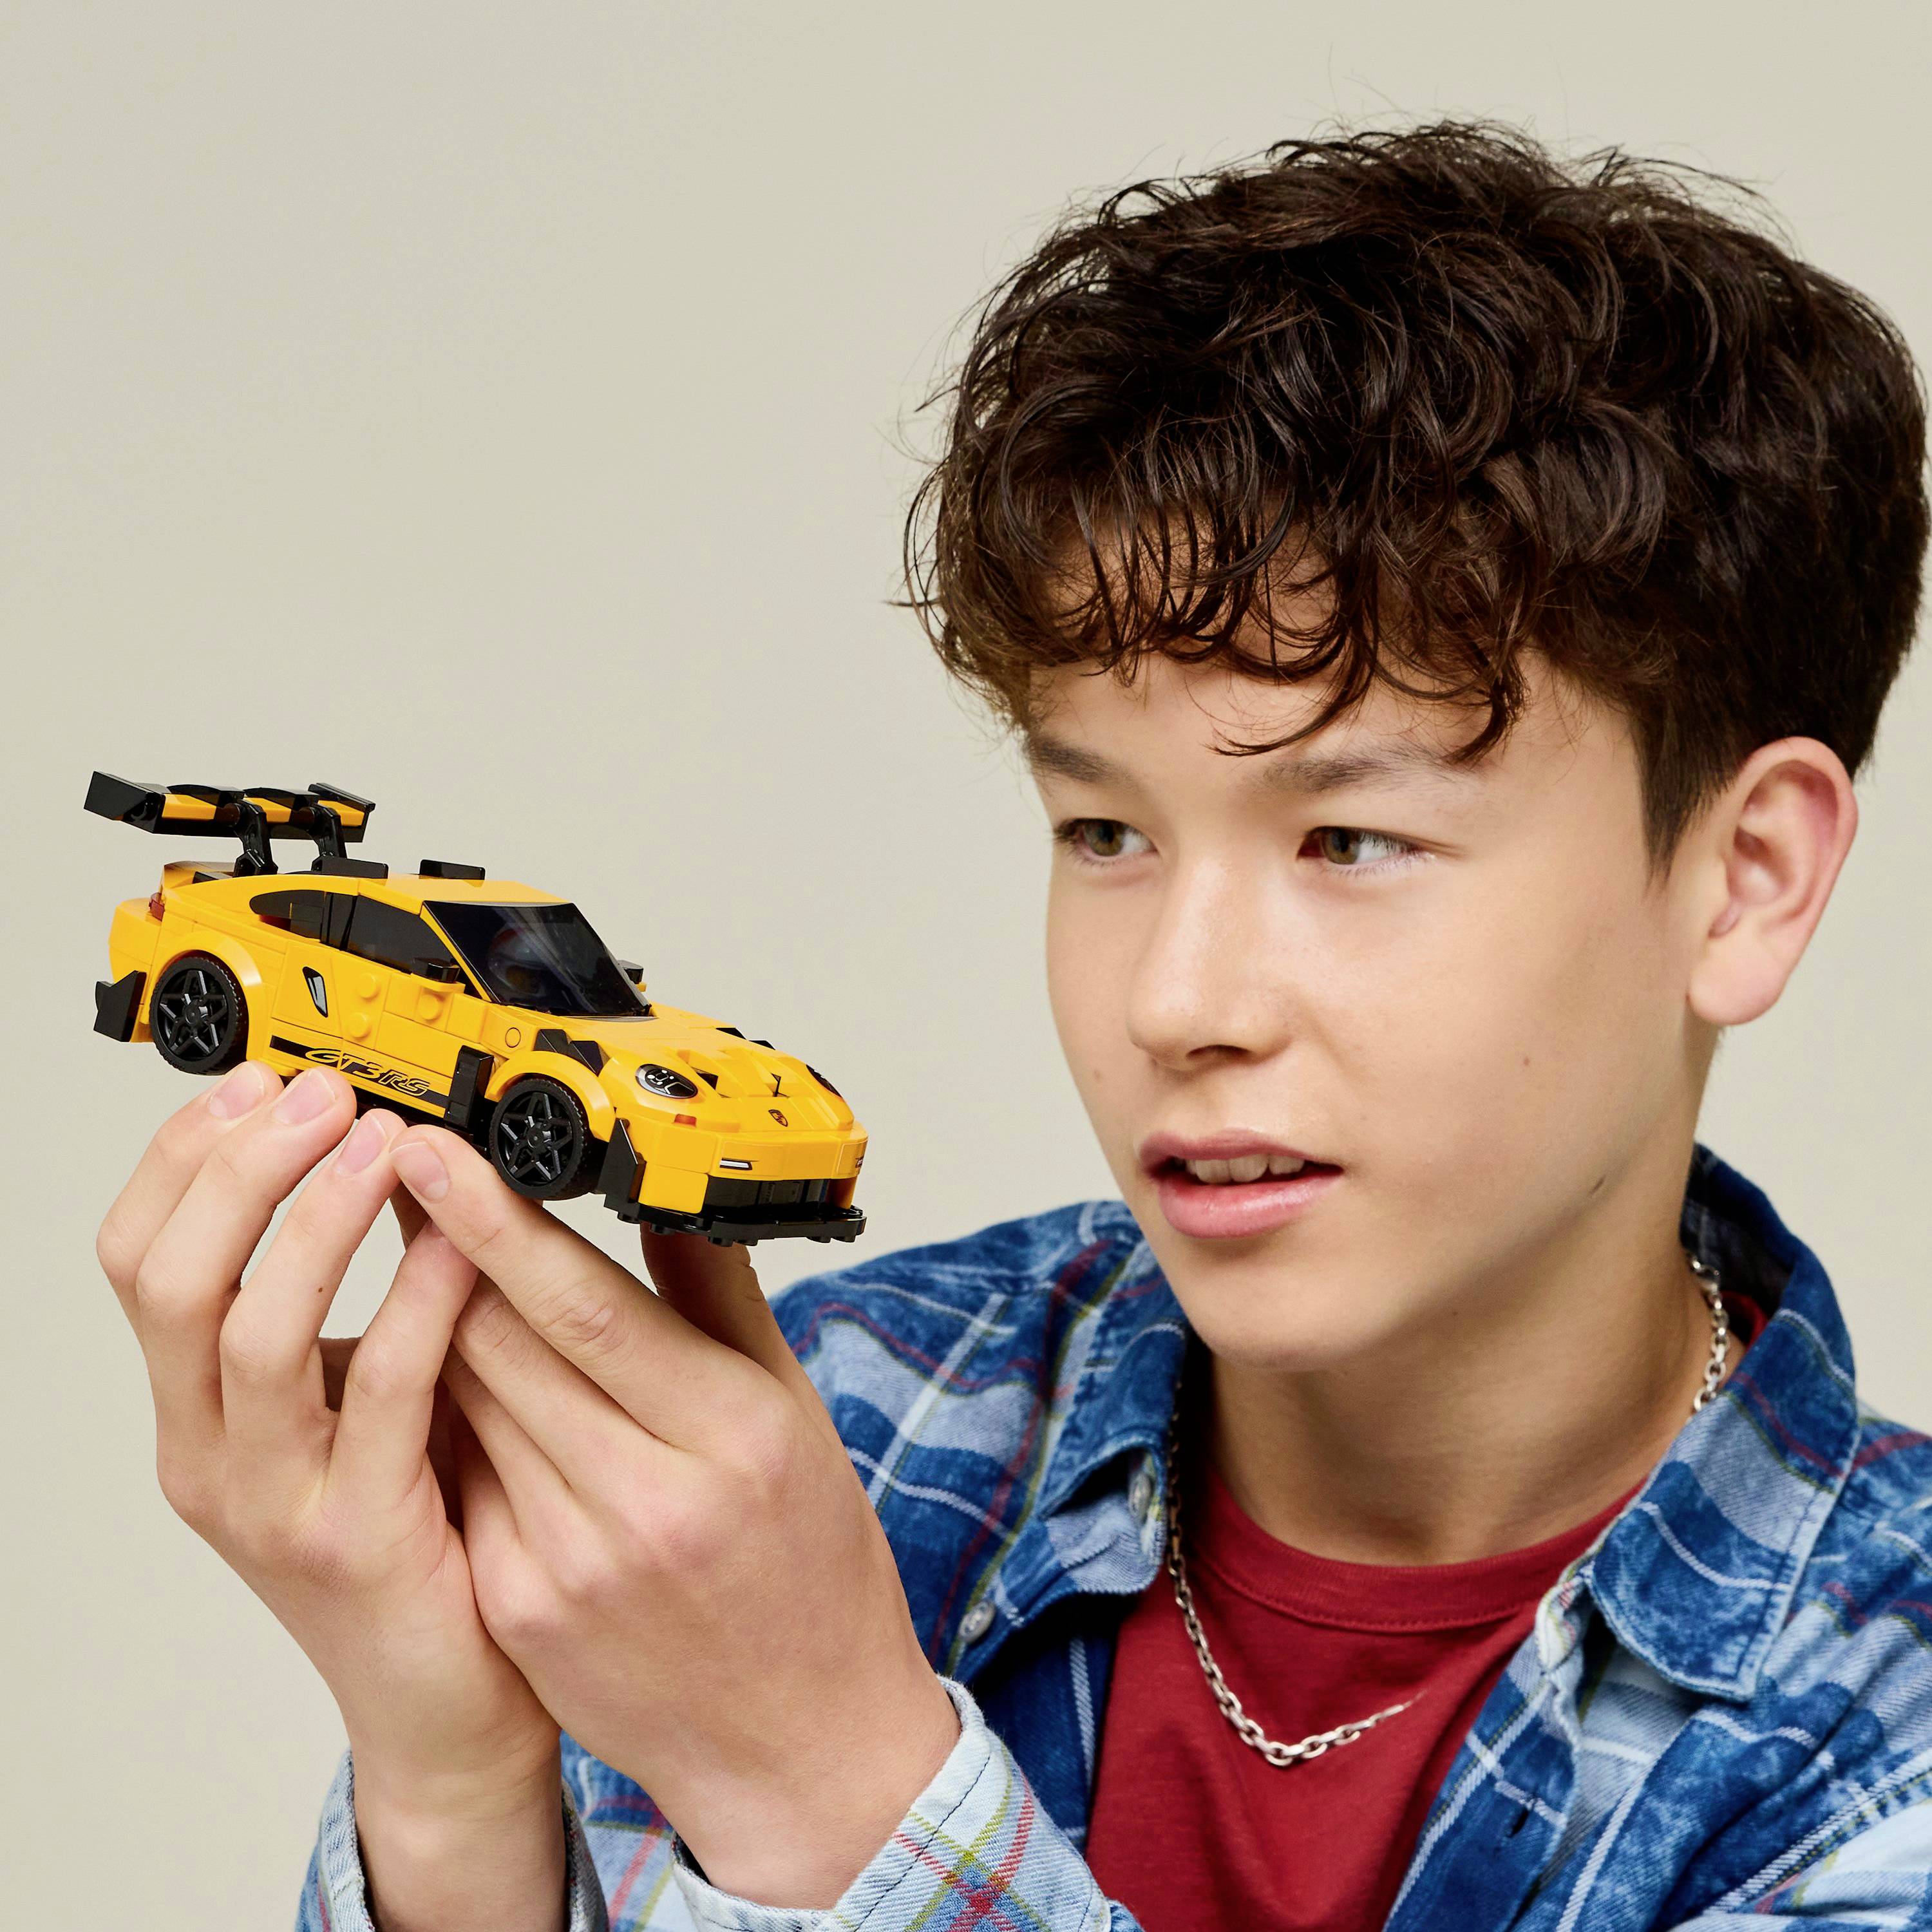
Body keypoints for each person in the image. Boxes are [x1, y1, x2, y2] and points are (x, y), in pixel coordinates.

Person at [95, 123, 1932, 1932]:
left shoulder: (1889, 1723)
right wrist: (448, 1781)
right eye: (1105, 832)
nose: (1177, 1004)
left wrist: (838, 1791)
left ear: (1746, 878)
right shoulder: (838, 1427)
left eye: (1351, 841)